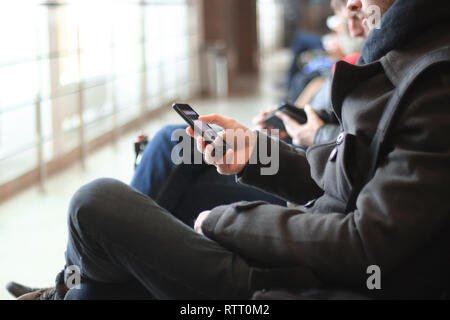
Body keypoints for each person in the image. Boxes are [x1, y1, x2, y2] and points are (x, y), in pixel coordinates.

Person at [16, 0, 450, 300]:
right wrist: (255, 154)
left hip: (300, 282)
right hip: (305, 252)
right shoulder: (408, 59)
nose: (350, 11)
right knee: (165, 154)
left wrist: (228, 223)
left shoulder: (432, 83)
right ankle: (68, 289)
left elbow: (363, 248)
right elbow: (348, 176)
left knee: (94, 206)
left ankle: (65, 288)